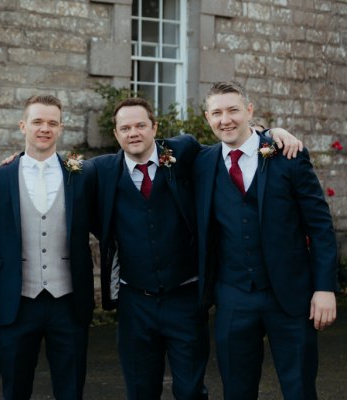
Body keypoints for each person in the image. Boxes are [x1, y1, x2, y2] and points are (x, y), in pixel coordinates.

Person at [94, 97, 303, 399]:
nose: (133, 133)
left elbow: (232, 142)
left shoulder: (185, 151)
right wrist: (20, 158)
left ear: (155, 127)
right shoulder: (101, 170)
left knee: (191, 390)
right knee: (140, 390)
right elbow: (57, 169)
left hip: (185, 298)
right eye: (125, 128)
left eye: (141, 125)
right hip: (135, 302)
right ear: (116, 134)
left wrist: (271, 133)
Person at [194, 81, 338, 399]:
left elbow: (320, 226)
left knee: (299, 388)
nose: (225, 119)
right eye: (216, 113)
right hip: (233, 297)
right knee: (236, 391)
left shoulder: (288, 156)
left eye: (233, 110)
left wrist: (325, 287)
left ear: (249, 111)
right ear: (207, 118)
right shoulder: (202, 163)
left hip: (290, 295)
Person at [0, 94, 97, 399]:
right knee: (15, 388)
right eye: (38, 121)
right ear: (23, 125)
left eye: (52, 123)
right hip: (17, 302)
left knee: (71, 390)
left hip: (68, 301)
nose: (45, 128)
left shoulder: (82, 176)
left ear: (61, 128)